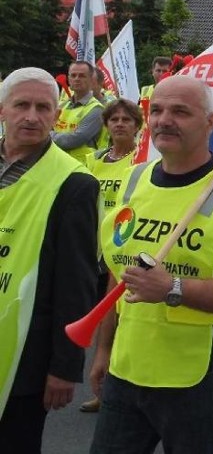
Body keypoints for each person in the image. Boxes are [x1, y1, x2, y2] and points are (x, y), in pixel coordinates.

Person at [89, 75, 213, 453]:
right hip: (127, 365)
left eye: (180, 112)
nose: (164, 120)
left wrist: (173, 288)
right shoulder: (133, 180)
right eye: (156, 110)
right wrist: (104, 349)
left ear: (209, 124)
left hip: (195, 376)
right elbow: (118, 274)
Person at [0, 67, 99, 453]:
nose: (32, 116)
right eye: (21, 105)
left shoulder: (74, 183)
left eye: (43, 107)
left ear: (56, 115)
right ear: (2, 110)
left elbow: (76, 283)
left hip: (26, 354)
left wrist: (64, 366)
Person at [79, 99, 144, 413]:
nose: (119, 124)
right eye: (114, 119)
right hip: (93, 251)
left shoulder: (141, 162)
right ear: (106, 125)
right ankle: (102, 386)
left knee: (115, 320)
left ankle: (116, 389)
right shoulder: (94, 160)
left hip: (121, 253)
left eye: (126, 119)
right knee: (97, 322)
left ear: (136, 125)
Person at [52, 60, 105, 163]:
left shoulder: (96, 109)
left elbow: (74, 140)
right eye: (73, 75)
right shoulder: (62, 106)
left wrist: (47, 135)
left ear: (91, 80)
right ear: (69, 79)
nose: (77, 79)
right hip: (57, 163)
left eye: (82, 76)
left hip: (81, 167)